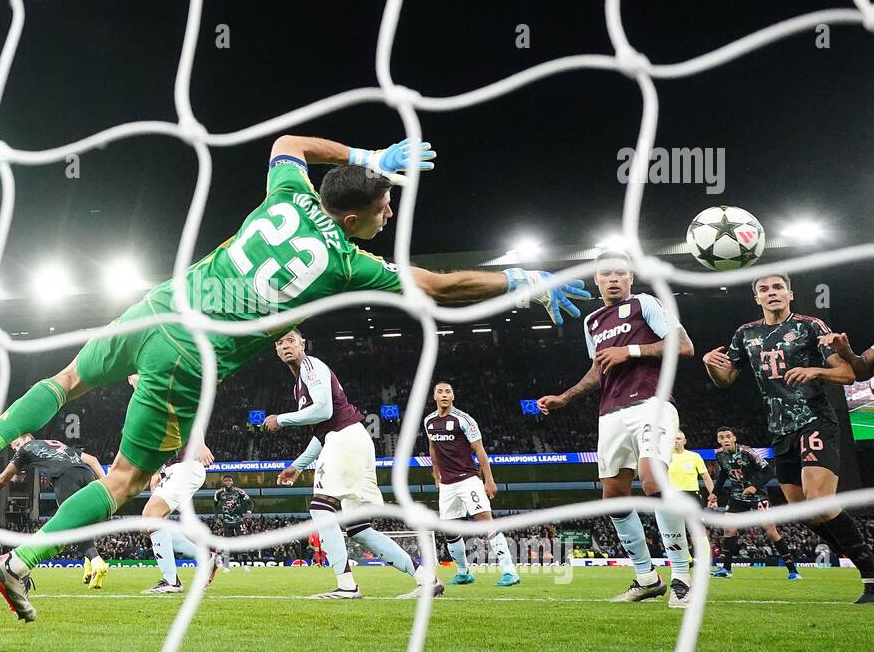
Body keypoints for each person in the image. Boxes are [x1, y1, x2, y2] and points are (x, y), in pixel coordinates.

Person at [0, 133, 589, 622]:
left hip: (157, 306)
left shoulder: (288, 193)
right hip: (189, 358)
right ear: (357, 219)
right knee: (126, 480)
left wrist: (369, 157)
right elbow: (442, 285)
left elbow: (287, 141)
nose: (390, 214)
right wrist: (523, 283)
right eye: (387, 205)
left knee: (68, 378)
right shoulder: (350, 263)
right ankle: (20, 563)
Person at [537, 250, 696, 607]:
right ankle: (646, 578)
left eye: (619, 274)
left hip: (651, 403)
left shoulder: (645, 304)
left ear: (630, 278)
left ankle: (683, 575)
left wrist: (632, 352)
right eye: (605, 274)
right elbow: (599, 369)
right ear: (596, 280)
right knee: (614, 497)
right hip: (610, 412)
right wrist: (566, 397)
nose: (612, 279)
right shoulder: (592, 320)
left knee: (653, 478)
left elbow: (683, 345)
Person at [704, 274, 872, 603]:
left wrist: (816, 371)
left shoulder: (811, 326)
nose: (772, 293)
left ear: (789, 293)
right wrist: (711, 365)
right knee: (804, 513)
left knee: (818, 501)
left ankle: (870, 570)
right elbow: (724, 380)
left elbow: (849, 373)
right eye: (764, 289)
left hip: (814, 421)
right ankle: (867, 568)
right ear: (757, 298)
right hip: (779, 431)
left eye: (777, 287)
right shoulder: (745, 334)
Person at [270, 328, 441, 598]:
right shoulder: (299, 382)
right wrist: (298, 465)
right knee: (360, 529)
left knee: (320, 509)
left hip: (345, 439)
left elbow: (324, 410)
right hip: (351, 439)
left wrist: (282, 419)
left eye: (290, 340)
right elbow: (322, 431)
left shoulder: (311, 366)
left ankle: (347, 585)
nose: (285, 346)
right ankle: (426, 578)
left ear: (303, 343)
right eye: (279, 343)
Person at [425, 380, 519, 587]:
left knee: (486, 522)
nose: (444, 395)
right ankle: (464, 572)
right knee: (450, 531)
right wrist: (436, 476)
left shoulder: (464, 420)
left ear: (453, 396)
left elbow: (480, 450)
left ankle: (510, 571)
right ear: (434, 397)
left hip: (468, 480)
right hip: (447, 485)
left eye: (448, 392)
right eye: (439, 392)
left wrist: (489, 480)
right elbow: (433, 450)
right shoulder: (429, 421)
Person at [0, 436, 109, 587]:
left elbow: (4, 478)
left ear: (28, 438)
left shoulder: (26, 448)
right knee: (83, 523)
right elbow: (92, 460)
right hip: (87, 474)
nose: (16, 448)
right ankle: (89, 567)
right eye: (14, 447)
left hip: (65, 478)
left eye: (16, 444)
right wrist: (106, 484)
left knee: (72, 524)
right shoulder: (58, 444)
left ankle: (97, 562)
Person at [706, 426, 799, 580]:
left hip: (758, 497)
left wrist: (754, 486)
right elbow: (723, 474)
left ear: (734, 438)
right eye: (721, 437)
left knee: (771, 532)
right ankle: (726, 569)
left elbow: (770, 472)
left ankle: (793, 570)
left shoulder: (747, 452)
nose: (725, 440)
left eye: (728, 436)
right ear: (718, 440)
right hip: (737, 496)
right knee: (728, 529)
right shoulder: (719, 455)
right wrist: (714, 493)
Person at [141, 444, 217, 594]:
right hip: (174, 470)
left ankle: (171, 582)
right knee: (146, 527)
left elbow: (193, 421)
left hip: (185, 467)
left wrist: (200, 445)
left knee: (151, 517)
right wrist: (156, 472)